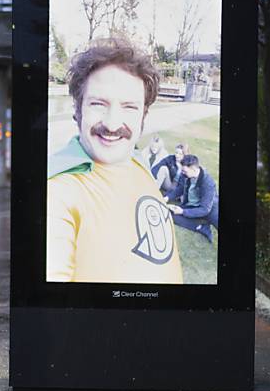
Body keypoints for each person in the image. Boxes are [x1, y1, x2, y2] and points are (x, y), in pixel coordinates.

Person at [47, 38, 182, 283]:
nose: (112, 124)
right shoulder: (58, 192)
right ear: (77, 109)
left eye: (129, 107)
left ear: (144, 115)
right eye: (98, 104)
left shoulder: (137, 161)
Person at [166, 154, 219, 243]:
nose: (182, 173)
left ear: (194, 170)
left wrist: (183, 212)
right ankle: (201, 226)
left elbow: (205, 209)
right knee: (171, 215)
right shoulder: (186, 175)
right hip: (193, 205)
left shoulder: (208, 183)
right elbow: (180, 189)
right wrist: (167, 197)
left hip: (209, 210)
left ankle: (203, 224)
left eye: (185, 171)